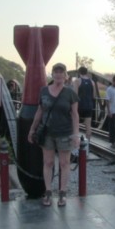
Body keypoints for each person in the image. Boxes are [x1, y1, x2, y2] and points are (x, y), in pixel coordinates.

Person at [28, 63, 80, 206]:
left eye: (61, 72)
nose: (58, 74)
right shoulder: (44, 91)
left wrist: (76, 135)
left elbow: (75, 115)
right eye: (55, 72)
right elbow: (40, 111)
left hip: (64, 132)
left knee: (64, 163)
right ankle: (48, 192)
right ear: (52, 74)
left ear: (65, 75)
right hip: (47, 133)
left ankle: (63, 192)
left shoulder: (70, 93)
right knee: (48, 162)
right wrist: (32, 129)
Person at [73, 66, 95, 152]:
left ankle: (76, 147)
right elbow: (94, 96)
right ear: (86, 72)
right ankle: (87, 147)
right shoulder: (92, 82)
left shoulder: (77, 81)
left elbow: (75, 95)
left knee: (75, 125)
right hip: (89, 106)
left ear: (79, 72)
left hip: (79, 106)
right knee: (88, 127)